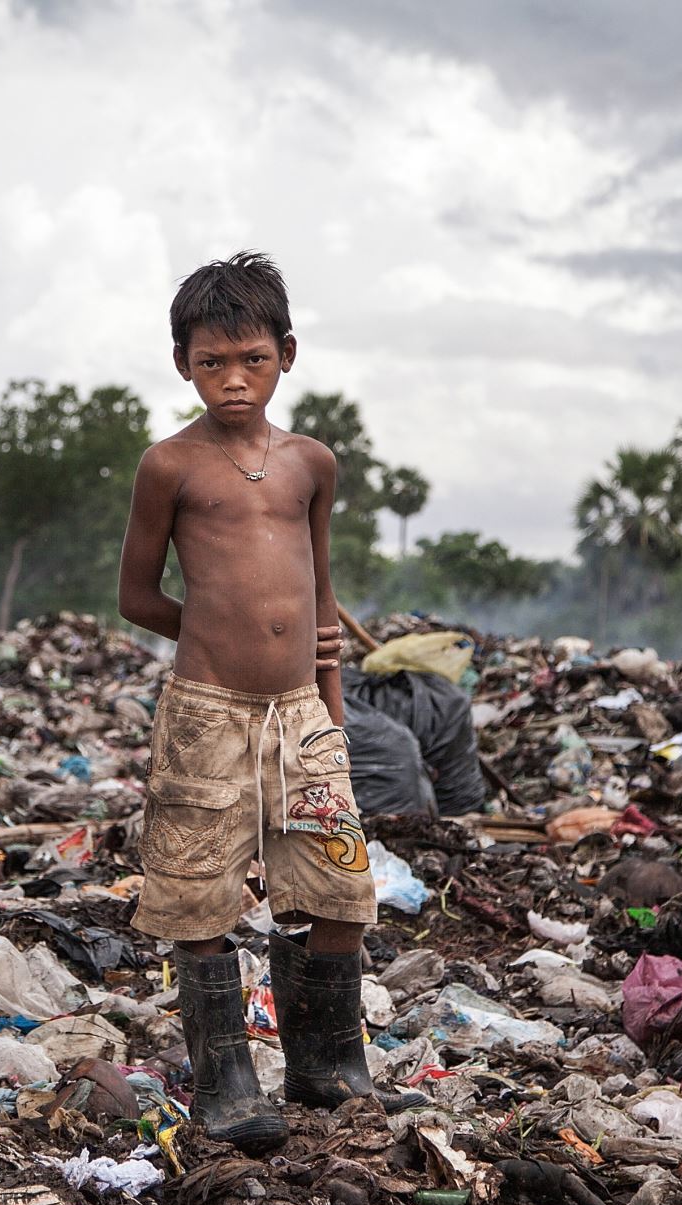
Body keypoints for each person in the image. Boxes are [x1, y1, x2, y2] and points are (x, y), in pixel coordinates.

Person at [117, 251, 422, 1153]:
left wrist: (327, 705)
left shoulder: (309, 465)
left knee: (338, 888)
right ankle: (226, 1084)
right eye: (211, 362)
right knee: (199, 898)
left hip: (302, 715)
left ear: (286, 354)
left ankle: (329, 1068)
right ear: (182, 364)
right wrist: (214, 632)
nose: (232, 379)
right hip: (207, 712)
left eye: (250, 358)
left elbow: (323, 599)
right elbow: (136, 597)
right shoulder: (168, 466)